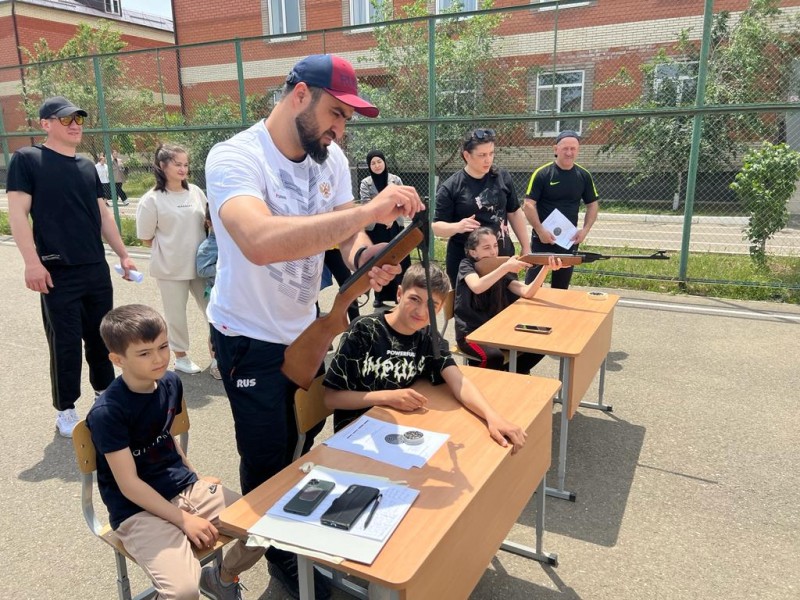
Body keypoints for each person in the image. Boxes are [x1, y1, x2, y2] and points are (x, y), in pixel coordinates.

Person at [204, 53, 424, 598]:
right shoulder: (235, 157)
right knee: (267, 461)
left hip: (305, 330)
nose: (340, 130)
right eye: (336, 113)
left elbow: (346, 236)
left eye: (346, 120)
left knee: (303, 443)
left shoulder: (331, 158)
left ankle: (287, 545)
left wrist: (366, 256)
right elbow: (259, 241)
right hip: (246, 337)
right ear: (299, 94)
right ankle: (282, 565)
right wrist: (367, 213)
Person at [86, 304, 264, 599]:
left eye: (163, 346)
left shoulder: (170, 382)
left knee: (264, 527)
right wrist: (183, 519)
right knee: (183, 592)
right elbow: (128, 485)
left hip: (184, 489)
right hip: (136, 510)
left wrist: (195, 477)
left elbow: (164, 436)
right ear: (117, 359)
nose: (159, 358)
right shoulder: (108, 412)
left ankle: (221, 578)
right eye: (144, 353)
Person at [6, 95, 137, 438]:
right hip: (56, 271)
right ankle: (65, 409)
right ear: (45, 124)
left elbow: (103, 215)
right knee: (64, 343)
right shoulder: (27, 159)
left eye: (78, 118)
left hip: (94, 267)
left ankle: (104, 395)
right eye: (66, 119)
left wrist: (123, 254)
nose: (75, 124)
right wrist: (32, 263)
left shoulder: (86, 166)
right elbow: (18, 215)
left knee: (102, 337)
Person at [323, 263, 527, 453]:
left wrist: (492, 417)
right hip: (354, 439)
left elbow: (459, 381)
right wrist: (388, 397)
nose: (421, 311)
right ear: (399, 294)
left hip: (401, 433)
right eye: (414, 299)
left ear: (439, 308)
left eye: (432, 305)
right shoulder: (363, 331)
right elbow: (331, 398)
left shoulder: (428, 336)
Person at [136, 143, 209, 375]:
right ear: (162, 165)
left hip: (203, 266)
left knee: (214, 310)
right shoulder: (152, 199)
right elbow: (145, 238)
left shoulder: (195, 192)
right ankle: (181, 357)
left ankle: (218, 354)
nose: (183, 169)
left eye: (185, 164)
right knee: (176, 315)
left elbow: (207, 224)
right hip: (170, 269)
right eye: (177, 164)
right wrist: (172, 249)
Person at [432, 128, 531, 287]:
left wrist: (526, 246)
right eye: (482, 155)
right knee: (470, 302)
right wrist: (458, 226)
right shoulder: (451, 187)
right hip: (468, 265)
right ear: (466, 155)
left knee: (507, 301)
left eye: (491, 153)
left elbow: (514, 212)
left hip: (502, 258)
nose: (488, 160)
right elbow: (437, 227)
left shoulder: (502, 176)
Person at [455, 227, 562, 373]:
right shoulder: (466, 265)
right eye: (486, 248)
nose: (493, 252)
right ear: (473, 252)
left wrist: (545, 268)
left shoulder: (499, 266)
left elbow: (527, 292)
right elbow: (477, 286)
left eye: (495, 246)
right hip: (471, 333)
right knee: (494, 357)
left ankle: (512, 374)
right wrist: (505, 267)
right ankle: (483, 380)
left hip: (497, 330)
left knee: (540, 344)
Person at [522, 129, 599, 289]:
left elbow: (592, 205)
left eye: (573, 149)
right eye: (565, 148)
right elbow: (528, 205)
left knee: (561, 288)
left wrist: (585, 230)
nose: (569, 153)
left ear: (578, 150)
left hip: (568, 240)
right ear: (556, 149)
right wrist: (540, 231)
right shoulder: (542, 174)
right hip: (543, 239)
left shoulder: (584, 176)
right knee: (532, 286)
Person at [359, 149, 409, 307]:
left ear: (384, 162)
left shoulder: (395, 180)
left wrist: (391, 218)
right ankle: (379, 296)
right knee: (378, 261)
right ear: (369, 166)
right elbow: (366, 204)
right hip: (375, 228)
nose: (377, 165)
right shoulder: (365, 183)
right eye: (373, 163)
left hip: (394, 226)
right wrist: (382, 219)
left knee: (397, 259)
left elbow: (402, 201)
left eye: (379, 161)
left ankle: (398, 294)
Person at [196, 204, 222, 380]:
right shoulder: (207, 246)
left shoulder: (232, 241)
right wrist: (223, 265)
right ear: (209, 223)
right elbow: (202, 270)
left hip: (233, 293)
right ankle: (215, 363)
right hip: (215, 292)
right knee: (216, 329)